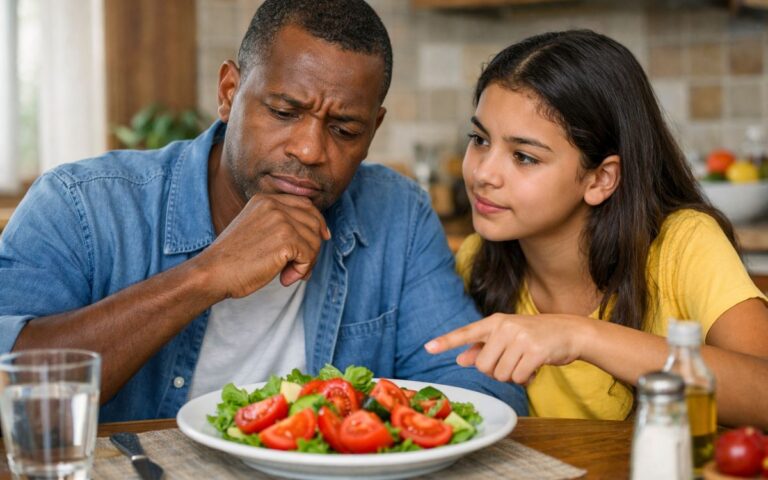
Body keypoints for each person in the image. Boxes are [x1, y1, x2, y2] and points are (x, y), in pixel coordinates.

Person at [0, 0, 526, 422]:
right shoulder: (81, 204)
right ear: (229, 93)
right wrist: (205, 275)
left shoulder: (396, 213)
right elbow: (13, 389)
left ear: (374, 130)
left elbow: (476, 391)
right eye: (284, 112)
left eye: (345, 129)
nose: (309, 150)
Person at [425, 30, 768, 428]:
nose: (483, 173)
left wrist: (579, 336)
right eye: (479, 139)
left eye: (523, 156)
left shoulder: (684, 243)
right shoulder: (478, 259)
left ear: (601, 179)